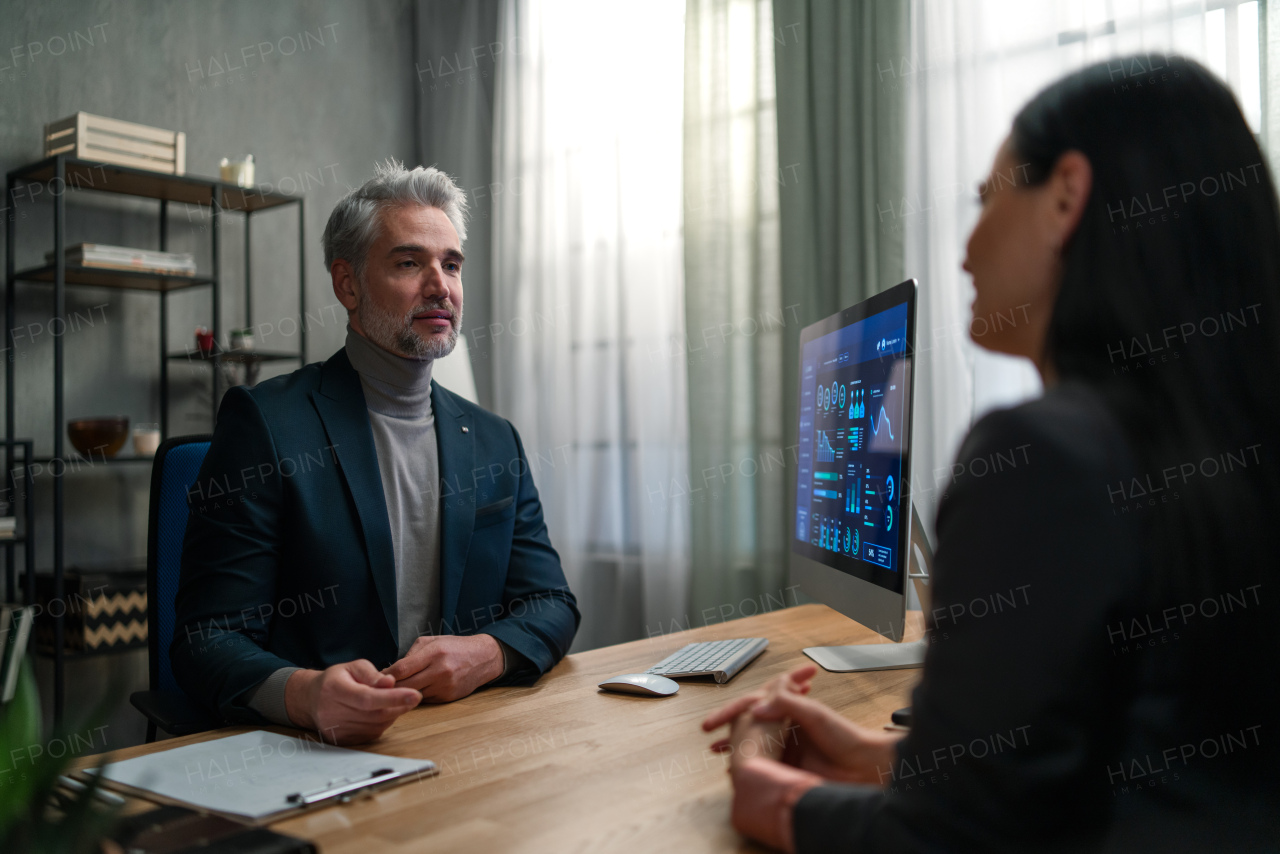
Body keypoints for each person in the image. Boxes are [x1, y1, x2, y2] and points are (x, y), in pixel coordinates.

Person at [704, 55, 1278, 852]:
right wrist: (881, 755)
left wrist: (762, 790)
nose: (968, 247)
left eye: (986, 199)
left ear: (1068, 195)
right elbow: (1140, 759)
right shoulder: (1229, 448)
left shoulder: (1043, 457)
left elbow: (942, 842)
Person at [171, 161, 579, 745]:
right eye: (411, 262)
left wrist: (487, 654)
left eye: (452, 264)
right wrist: (304, 693)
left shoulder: (495, 439)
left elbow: (552, 603)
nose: (441, 285)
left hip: (466, 739)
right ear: (348, 284)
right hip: (312, 753)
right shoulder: (265, 423)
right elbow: (205, 639)